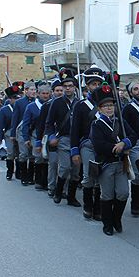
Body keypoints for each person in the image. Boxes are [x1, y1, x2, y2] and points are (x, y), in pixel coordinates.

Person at [90, 83, 136, 235]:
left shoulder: (120, 122)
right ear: (99, 108)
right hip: (106, 164)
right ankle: (107, 223)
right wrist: (115, 148)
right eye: (105, 106)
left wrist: (124, 143)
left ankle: (117, 219)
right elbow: (98, 145)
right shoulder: (97, 124)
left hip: (121, 164)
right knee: (107, 195)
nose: (109, 108)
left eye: (111, 105)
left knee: (123, 193)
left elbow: (133, 136)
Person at [70, 67, 105, 218]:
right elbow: (75, 130)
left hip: (104, 146)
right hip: (87, 145)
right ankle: (88, 206)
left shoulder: (109, 105)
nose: (96, 87)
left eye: (98, 83)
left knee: (100, 178)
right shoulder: (81, 105)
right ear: (87, 86)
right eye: (93, 84)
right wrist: (74, 150)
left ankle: (98, 208)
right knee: (88, 176)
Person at [46, 69, 82, 207]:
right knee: (65, 167)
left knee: (76, 170)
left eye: (70, 86)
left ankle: (71, 197)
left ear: (74, 87)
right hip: (64, 139)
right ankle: (58, 191)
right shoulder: (56, 103)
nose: (68, 88)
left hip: (77, 140)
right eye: (65, 86)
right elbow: (49, 123)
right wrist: (51, 137)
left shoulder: (80, 103)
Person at [122, 80, 139, 216]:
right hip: (136, 145)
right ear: (131, 92)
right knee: (138, 175)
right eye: (135, 89)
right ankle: (135, 205)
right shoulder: (128, 108)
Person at [37, 81, 65, 197]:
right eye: (57, 90)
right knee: (53, 163)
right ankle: (52, 186)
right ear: (53, 92)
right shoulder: (47, 106)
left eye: (61, 90)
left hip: (64, 138)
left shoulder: (70, 104)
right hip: (52, 138)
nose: (59, 93)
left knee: (64, 165)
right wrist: (39, 141)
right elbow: (42, 124)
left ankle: (63, 189)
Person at [21, 83, 50, 187]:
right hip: (35, 134)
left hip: (48, 134)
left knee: (47, 158)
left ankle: (45, 180)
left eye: (47, 93)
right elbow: (26, 123)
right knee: (39, 157)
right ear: (38, 94)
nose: (45, 96)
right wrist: (26, 138)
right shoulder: (31, 107)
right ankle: (38, 180)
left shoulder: (52, 104)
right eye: (43, 93)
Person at [12, 81, 36, 187]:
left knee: (32, 155)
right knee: (23, 154)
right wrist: (13, 134)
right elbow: (15, 118)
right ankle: (23, 176)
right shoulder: (19, 102)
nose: (33, 92)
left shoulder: (37, 102)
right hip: (22, 130)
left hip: (33, 131)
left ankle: (30, 177)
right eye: (31, 90)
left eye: (34, 90)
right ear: (26, 90)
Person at [0, 85, 21, 179]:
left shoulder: (22, 107)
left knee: (20, 154)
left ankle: (19, 172)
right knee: (10, 153)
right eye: (14, 98)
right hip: (9, 133)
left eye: (18, 97)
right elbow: (1, 125)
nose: (16, 100)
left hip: (19, 133)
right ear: (10, 99)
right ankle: (9, 171)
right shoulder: (4, 110)